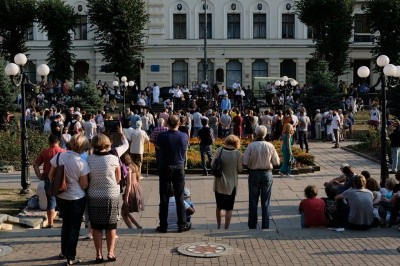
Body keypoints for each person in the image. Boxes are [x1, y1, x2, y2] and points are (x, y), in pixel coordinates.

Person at [48, 134, 89, 265]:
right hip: (77, 197)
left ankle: (63, 251)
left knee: (65, 224)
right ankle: (71, 257)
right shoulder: (82, 163)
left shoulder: (59, 156)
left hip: (61, 196)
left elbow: (50, 175)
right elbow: (83, 185)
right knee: (74, 227)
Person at [87, 134, 121, 262]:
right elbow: (118, 178)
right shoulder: (113, 158)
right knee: (111, 226)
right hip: (111, 195)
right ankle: (111, 253)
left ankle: (98, 254)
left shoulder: (89, 160)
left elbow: (87, 178)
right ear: (107, 144)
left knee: (96, 226)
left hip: (94, 195)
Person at [156, 115, 191, 233]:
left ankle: (163, 225)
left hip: (165, 166)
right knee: (179, 196)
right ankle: (182, 224)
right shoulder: (184, 136)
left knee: (164, 196)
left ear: (167, 123)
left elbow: (158, 146)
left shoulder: (162, 136)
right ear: (179, 123)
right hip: (179, 167)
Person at [243, 125, 280, 229]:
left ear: (256, 134)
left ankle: (252, 225)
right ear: (265, 134)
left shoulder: (251, 146)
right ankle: (265, 225)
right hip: (267, 174)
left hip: (254, 173)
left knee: (253, 201)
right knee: (266, 202)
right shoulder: (270, 146)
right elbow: (276, 162)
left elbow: (245, 161)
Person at [33, 135, 66, 228]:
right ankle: (64, 221)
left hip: (48, 179)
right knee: (63, 200)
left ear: (49, 142)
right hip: (61, 179)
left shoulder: (45, 152)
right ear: (58, 142)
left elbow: (35, 164)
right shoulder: (64, 152)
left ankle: (50, 223)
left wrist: (39, 176)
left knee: (50, 200)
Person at [211, 135, 243, 229]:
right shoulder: (237, 153)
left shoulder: (220, 150)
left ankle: (218, 226)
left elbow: (213, 164)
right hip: (231, 184)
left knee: (219, 206)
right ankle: (226, 227)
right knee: (229, 208)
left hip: (219, 183)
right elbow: (240, 169)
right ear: (237, 143)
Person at [120, 153, 144, 229]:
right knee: (126, 211)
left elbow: (129, 183)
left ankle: (132, 228)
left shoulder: (127, 168)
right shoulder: (134, 166)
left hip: (131, 190)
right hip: (137, 188)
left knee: (124, 212)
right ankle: (137, 226)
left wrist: (126, 197)